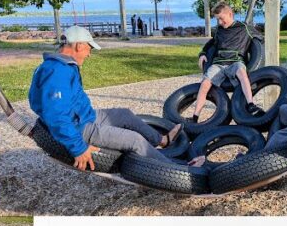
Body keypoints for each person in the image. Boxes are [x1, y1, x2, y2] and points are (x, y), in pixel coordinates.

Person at [29, 25, 199, 170]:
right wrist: (79, 148)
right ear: (79, 45)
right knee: (135, 140)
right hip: (80, 128)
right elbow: (57, 116)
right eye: (89, 48)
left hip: (87, 117)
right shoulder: (57, 72)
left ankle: (162, 140)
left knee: (124, 114)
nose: (89, 54)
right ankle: (181, 171)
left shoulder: (63, 65)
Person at [193, 3, 264, 123]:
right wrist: (202, 54)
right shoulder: (219, 31)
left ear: (230, 14)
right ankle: (195, 117)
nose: (220, 22)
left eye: (221, 18)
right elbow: (210, 44)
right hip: (218, 64)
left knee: (242, 73)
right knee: (205, 83)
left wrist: (253, 47)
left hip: (235, 61)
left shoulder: (244, 28)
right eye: (217, 19)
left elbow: (260, 38)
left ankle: (251, 104)